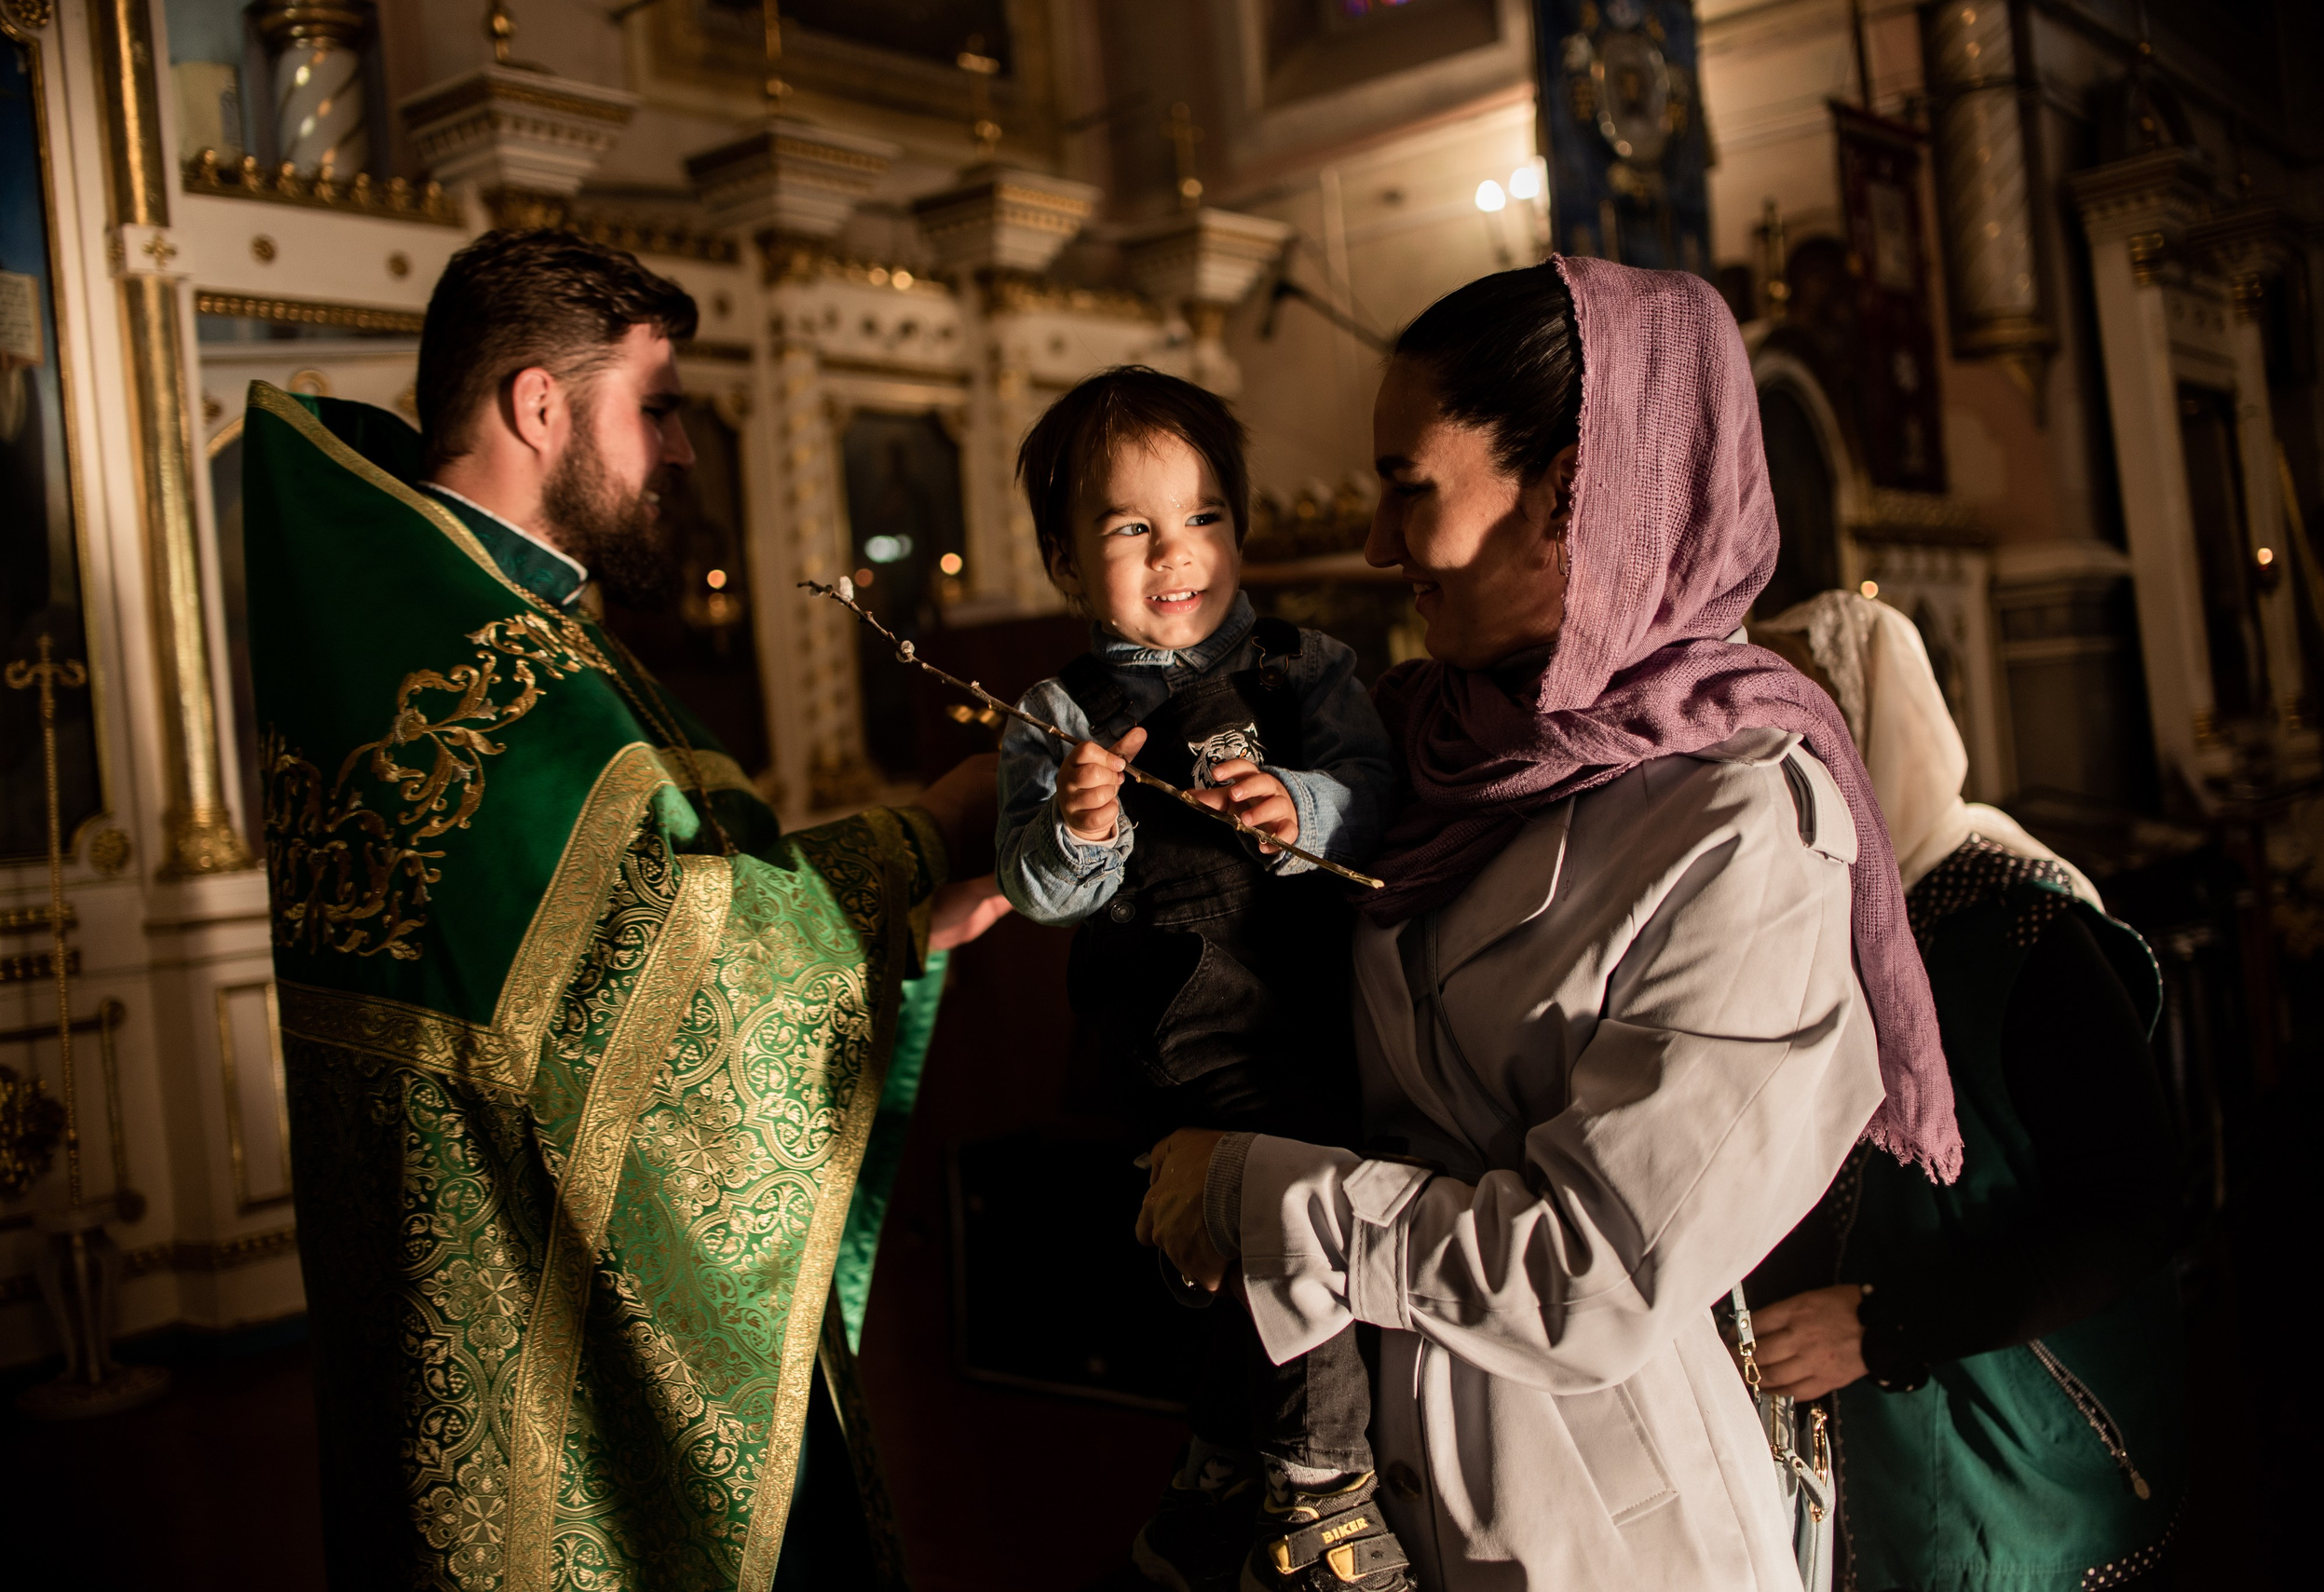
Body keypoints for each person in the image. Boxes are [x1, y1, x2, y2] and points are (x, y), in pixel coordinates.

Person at [1136, 257, 1963, 1590]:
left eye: (1412, 490)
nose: (1375, 547)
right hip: (1354, 1495)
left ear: (1573, 494)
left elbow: (1589, 1273)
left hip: (1590, 1517)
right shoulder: (1422, 746)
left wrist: (1257, 1196)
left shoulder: (1742, 822)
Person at [242, 229, 1009, 1592]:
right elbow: (693, 968)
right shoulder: (485, 660)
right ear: (540, 405)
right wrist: (935, 823)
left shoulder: (470, 613)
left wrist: (900, 923)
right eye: (656, 408)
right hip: (523, 1305)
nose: (687, 449)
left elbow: (662, 911)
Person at [996, 366, 1407, 1592]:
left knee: (1257, 1250)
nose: (1178, 554)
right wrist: (1079, 824)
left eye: (1205, 517)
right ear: (1069, 564)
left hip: (1311, 1003)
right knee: (1285, 1233)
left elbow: (1380, 800)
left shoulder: (1307, 669)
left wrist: (1307, 810)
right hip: (1178, 1031)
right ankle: (1323, 1486)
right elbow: (1037, 890)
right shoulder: (1059, 712)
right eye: (1133, 528)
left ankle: (1218, 1467)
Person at [1744, 591, 2186, 1591]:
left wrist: (1882, 1324)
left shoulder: (2021, 928)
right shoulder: (1805, 919)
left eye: (1800, 734)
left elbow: (2132, 1208)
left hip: (2019, 1445)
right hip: (1857, 1458)